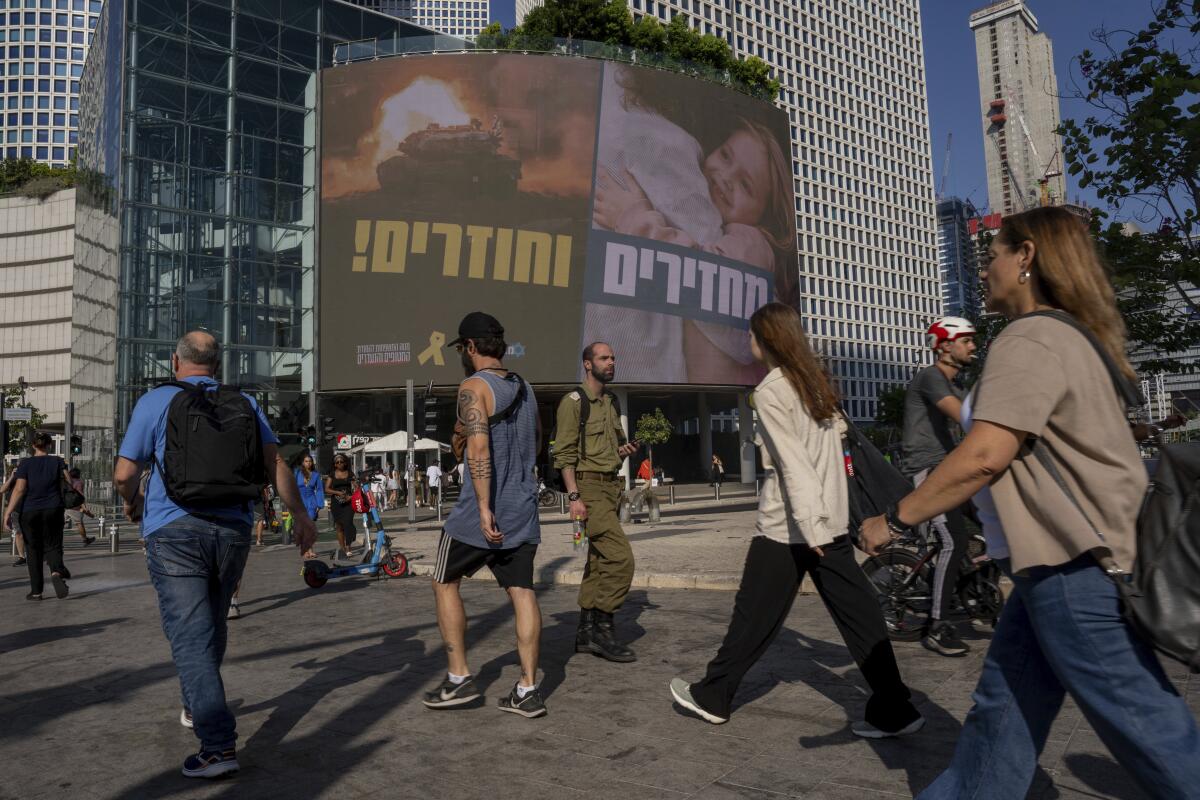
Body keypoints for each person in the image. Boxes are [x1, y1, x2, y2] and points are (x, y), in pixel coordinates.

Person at [860, 207, 1200, 799]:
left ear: (1026, 257)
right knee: (1000, 723)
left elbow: (985, 453)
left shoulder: (1029, 337)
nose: (984, 265)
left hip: (1075, 567)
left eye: (992, 252)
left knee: (1152, 733)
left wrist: (894, 518)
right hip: (1053, 566)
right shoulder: (1075, 337)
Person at [668, 303, 923, 737]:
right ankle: (895, 708)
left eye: (751, 335)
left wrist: (808, 524)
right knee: (858, 614)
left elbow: (793, 465)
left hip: (790, 527)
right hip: (830, 522)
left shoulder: (771, 391)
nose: (747, 342)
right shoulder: (814, 384)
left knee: (753, 616)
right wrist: (823, 522)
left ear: (767, 339)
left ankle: (712, 695)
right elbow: (832, 453)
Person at [112, 331, 317, 779]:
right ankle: (196, 701)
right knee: (211, 624)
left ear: (176, 361)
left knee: (189, 636)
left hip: (174, 528)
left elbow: (125, 472)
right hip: (232, 531)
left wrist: (131, 501)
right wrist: (299, 515)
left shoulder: (157, 400)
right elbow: (276, 462)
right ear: (217, 364)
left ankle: (217, 745)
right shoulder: (244, 402)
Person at [423, 311, 546, 718]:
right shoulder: (525, 388)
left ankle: (459, 679)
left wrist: (482, 507)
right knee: (523, 592)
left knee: (443, 580)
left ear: (470, 348)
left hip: (481, 512)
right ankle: (528, 689)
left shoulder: (473, 387)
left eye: (463, 348)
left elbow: (477, 449)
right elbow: (537, 441)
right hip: (523, 507)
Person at [554, 341, 641, 663]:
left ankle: (586, 632)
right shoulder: (574, 402)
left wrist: (621, 452)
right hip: (588, 489)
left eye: (613, 358)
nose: (611, 362)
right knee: (621, 560)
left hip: (610, 487)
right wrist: (574, 496)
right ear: (588, 364)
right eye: (604, 358)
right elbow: (563, 454)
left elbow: (604, 450)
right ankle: (604, 629)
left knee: (600, 562)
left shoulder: (610, 402)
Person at [898, 315, 977, 657]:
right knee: (953, 539)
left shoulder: (960, 385)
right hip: (926, 468)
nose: (973, 346)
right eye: (966, 340)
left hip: (950, 468)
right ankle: (936, 626)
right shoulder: (931, 378)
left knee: (990, 524)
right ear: (944, 346)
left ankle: (970, 589)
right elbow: (966, 417)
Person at [3, 432, 73, 600]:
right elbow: (69, 483)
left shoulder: (25, 464)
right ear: (49, 445)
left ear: (33, 446)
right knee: (53, 544)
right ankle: (56, 571)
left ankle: (36, 591)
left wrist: (7, 512)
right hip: (53, 509)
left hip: (29, 511)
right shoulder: (57, 461)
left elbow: (19, 489)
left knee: (33, 550)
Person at [324, 454, 358, 560]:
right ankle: (342, 548)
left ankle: (348, 547)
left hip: (348, 501)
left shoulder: (350, 473)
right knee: (339, 526)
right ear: (334, 464)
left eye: (341, 461)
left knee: (348, 523)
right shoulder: (332, 474)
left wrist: (351, 497)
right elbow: (327, 489)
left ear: (345, 462)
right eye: (337, 462)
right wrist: (337, 492)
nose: (339, 464)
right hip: (336, 503)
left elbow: (357, 488)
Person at [294, 453, 324, 560]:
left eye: (310, 461)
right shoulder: (297, 473)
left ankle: (310, 550)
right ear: (303, 462)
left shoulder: (316, 475)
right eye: (306, 461)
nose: (308, 463)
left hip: (311, 501)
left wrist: (319, 504)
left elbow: (319, 489)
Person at [1, 466, 28, 567]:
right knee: (18, 533)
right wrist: (12, 476)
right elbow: (2, 490)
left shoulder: (29, 478)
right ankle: (22, 557)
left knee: (31, 533)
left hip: (29, 509)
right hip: (15, 510)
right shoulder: (13, 480)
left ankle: (36, 554)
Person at [63, 468, 97, 547]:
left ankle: (55, 541)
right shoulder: (79, 482)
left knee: (60, 524)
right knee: (79, 524)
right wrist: (84, 506)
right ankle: (85, 540)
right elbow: (80, 495)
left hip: (65, 506)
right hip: (75, 507)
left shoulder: (66, 481)